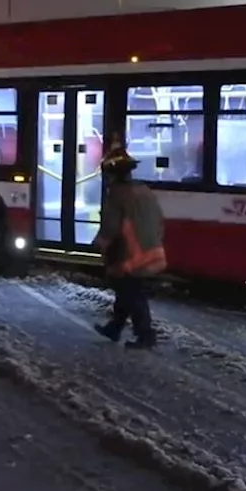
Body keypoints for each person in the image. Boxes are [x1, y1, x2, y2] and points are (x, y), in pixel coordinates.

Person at [92, 142, 168, 349]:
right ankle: (114, 328)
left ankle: (146, 336)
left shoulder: (116, 195)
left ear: (111, 174)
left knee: (133, 294)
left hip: (132, 256)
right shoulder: (144, 190)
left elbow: (110, 227)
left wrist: (98, 245)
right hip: (153, 251)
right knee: (126, 291)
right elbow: (160, 221)